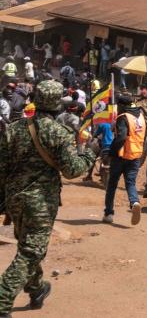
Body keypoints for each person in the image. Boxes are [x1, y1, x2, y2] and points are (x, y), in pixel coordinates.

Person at [0, 80, 96, 316]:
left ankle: (37, 288)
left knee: (29, 247)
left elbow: (1, 168)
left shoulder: (13, 128)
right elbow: (72, 170)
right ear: (57, 106)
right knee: (31, 252)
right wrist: (90, 153)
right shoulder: (59, 133)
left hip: (14, 200)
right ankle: (2, 299)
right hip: (41, 203)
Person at [103, 94, 146, 226]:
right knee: (130, 183)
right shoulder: (140, 116)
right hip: (136, 155)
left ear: (121, 105)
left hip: (121, 156)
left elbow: (121, 137)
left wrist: (111, 152)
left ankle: (109, 213)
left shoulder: (123, 117)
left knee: (112, 185)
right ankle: (134, 202)